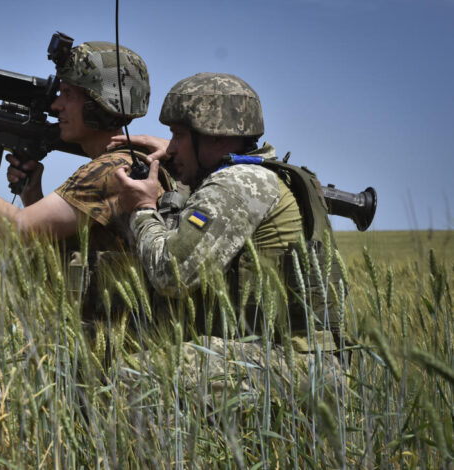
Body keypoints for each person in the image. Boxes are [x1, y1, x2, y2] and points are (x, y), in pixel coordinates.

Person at [114, 73, 347, 402]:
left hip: (292, 366)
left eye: (179, 136)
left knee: (135, 377)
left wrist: (141, 208)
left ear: (216, 138)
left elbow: (171, 274)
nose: (170, 147)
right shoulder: (259, 173)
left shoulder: (238, 183)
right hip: (297, 362)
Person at [0, 41, 163, 317]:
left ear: (98, 105)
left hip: (114, 351)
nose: (56, 105)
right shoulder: (127, 164)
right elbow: (63, 249)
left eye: (68, 94)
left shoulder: (112, 171)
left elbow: (20, 232)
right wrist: (31, 194)